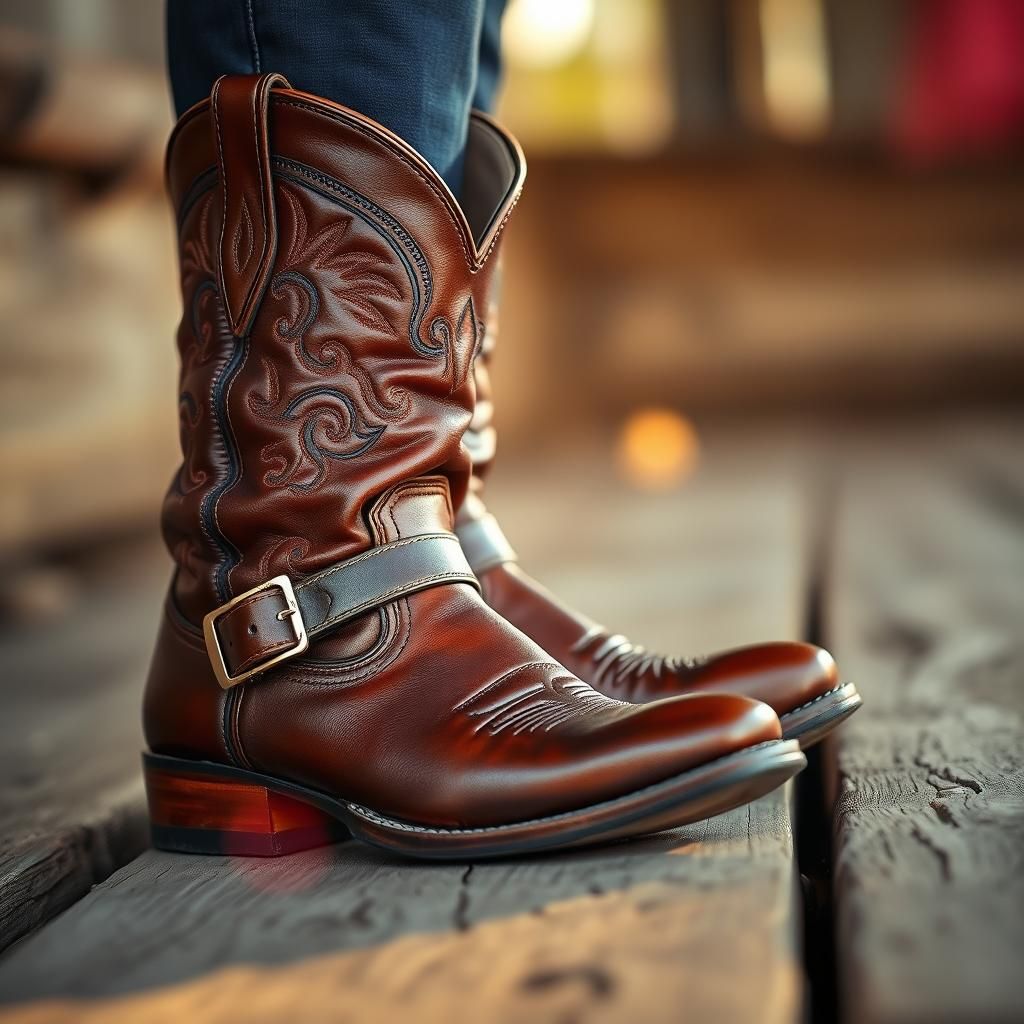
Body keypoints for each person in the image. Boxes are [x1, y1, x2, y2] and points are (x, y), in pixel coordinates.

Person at [142, 2, 856, 860]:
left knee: (438, 73)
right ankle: (316, 627)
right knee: (356, 38)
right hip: (286, 633)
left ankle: (421, 563)